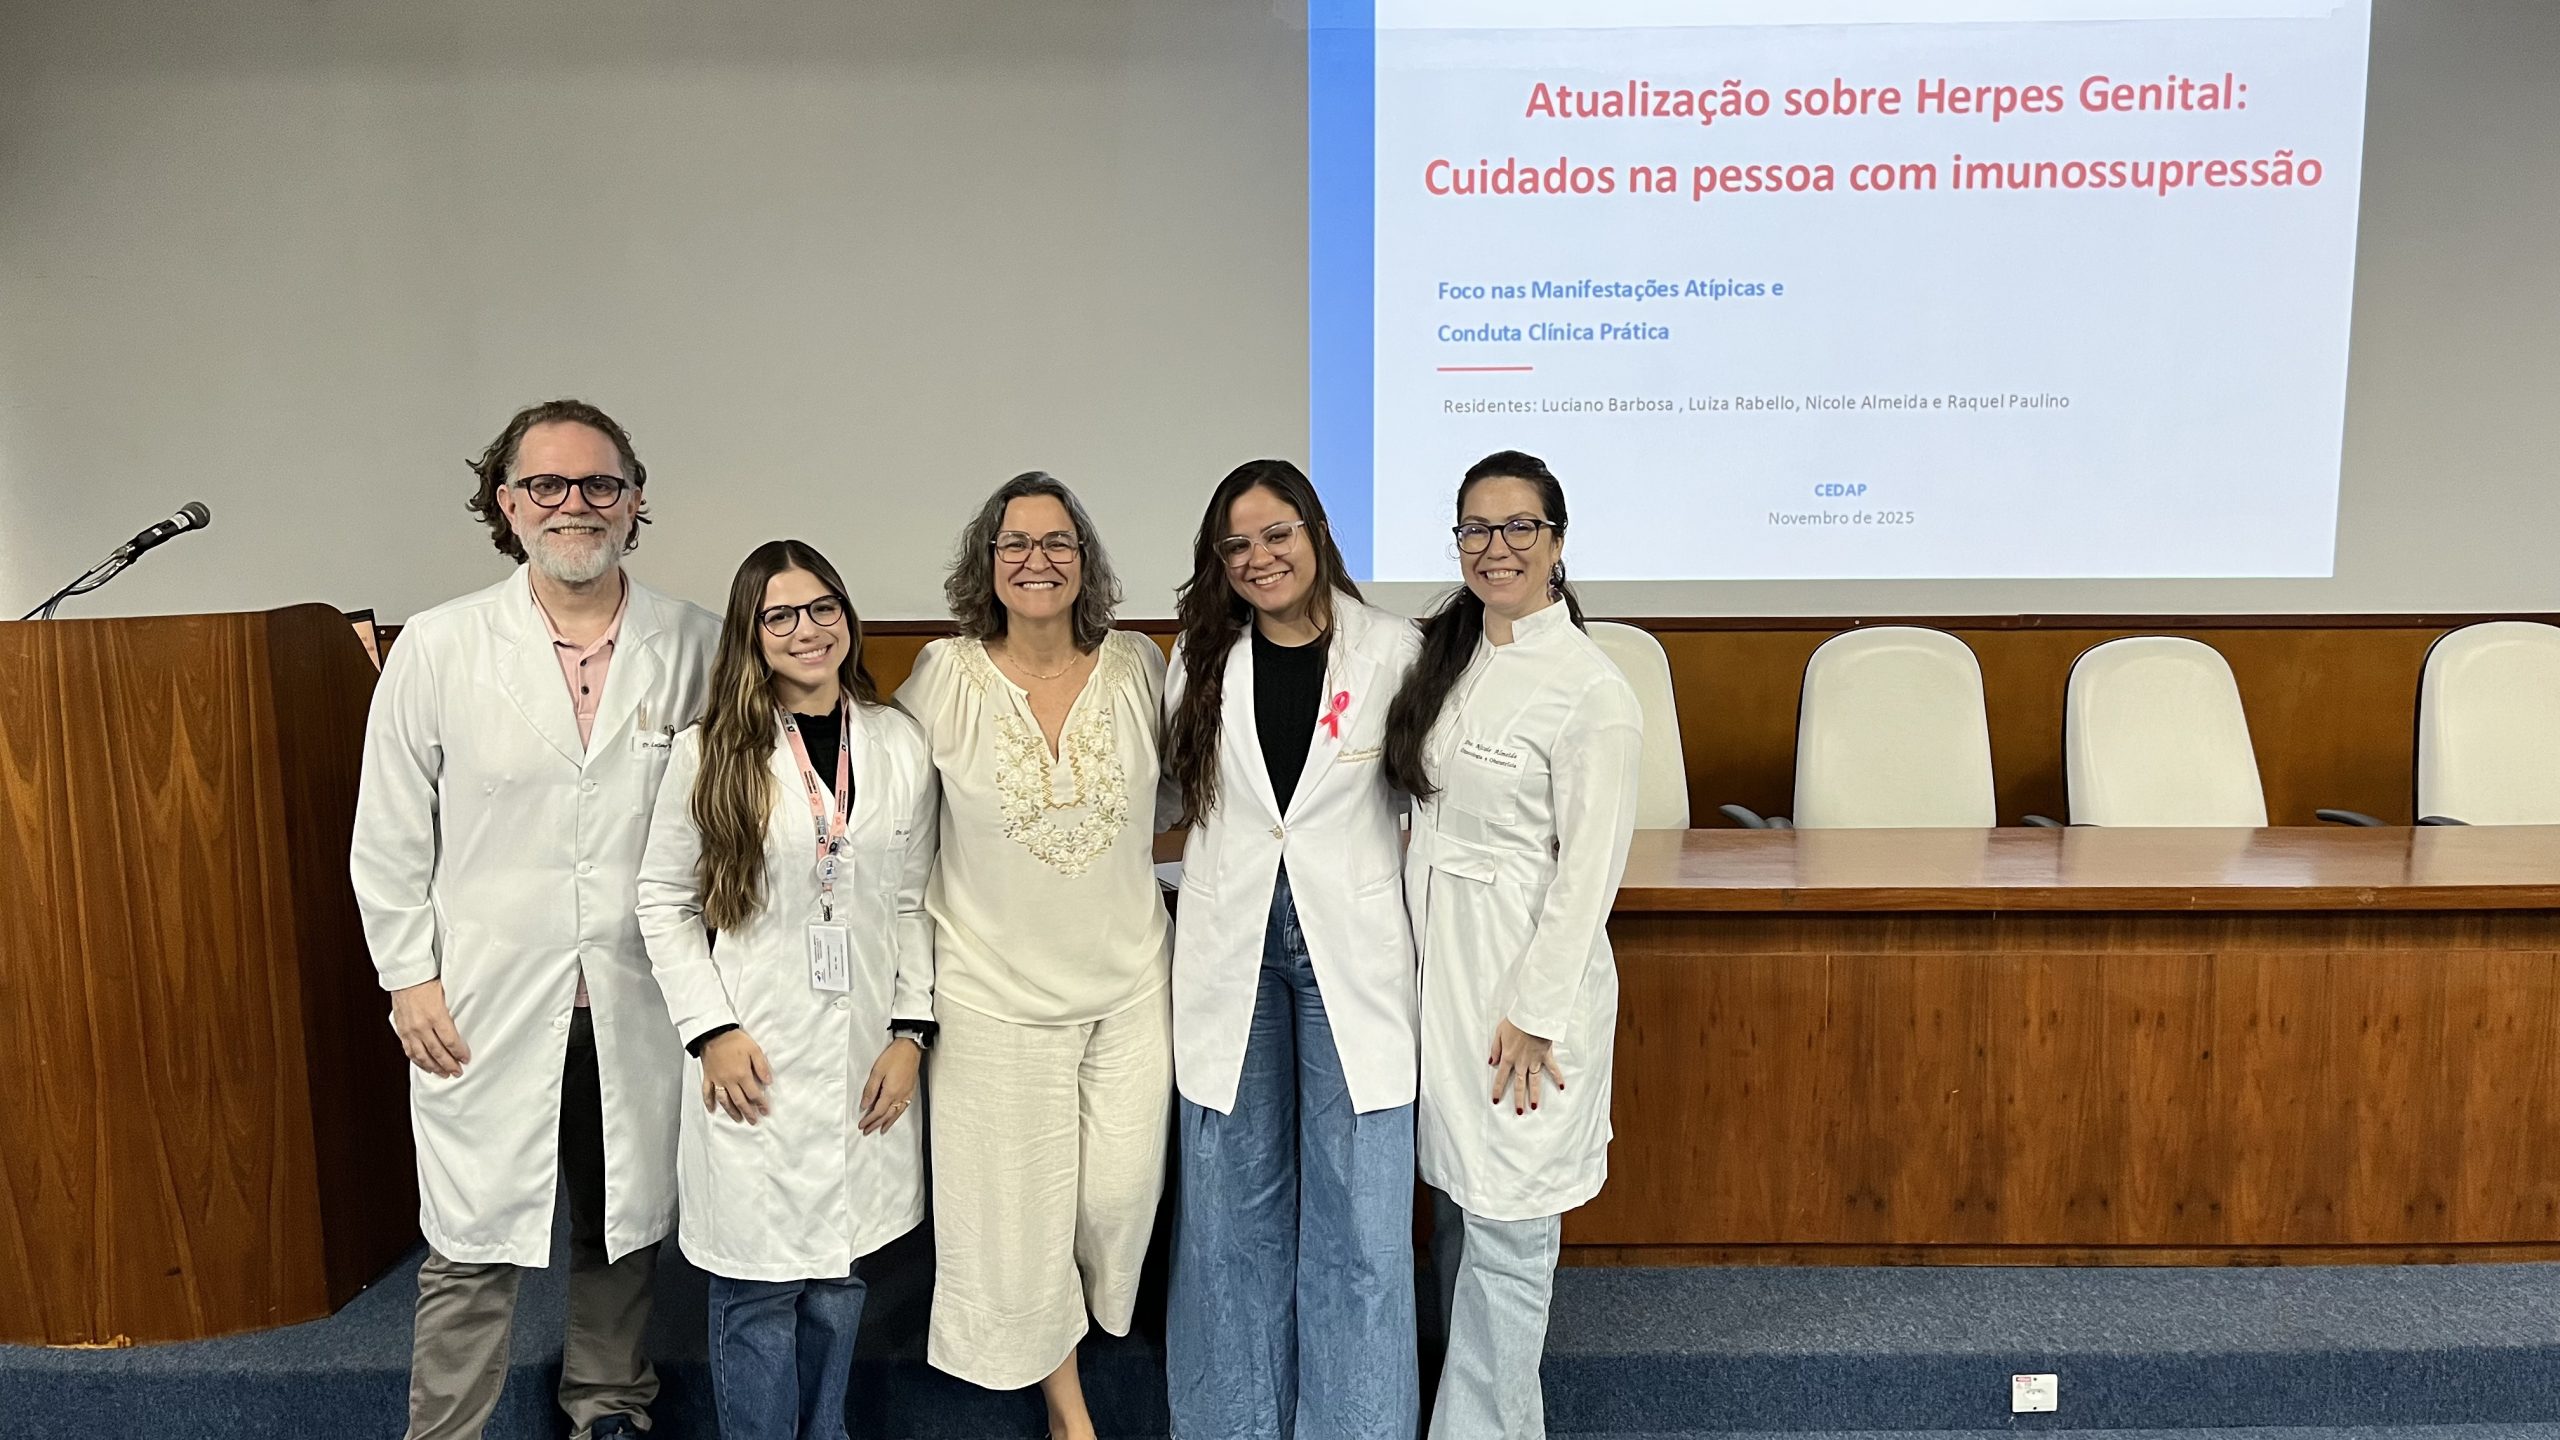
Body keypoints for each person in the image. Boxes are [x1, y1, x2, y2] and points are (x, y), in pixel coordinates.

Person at [351, 399, 721, 1440]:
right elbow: (389, 831)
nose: (575, 504)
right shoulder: (440, 646)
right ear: (507, 504)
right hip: (483, 993)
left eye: (600, 484)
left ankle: (608, 1407)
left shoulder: (697, 644)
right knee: (471, 1235)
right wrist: (408, 978)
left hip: (641, 990)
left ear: (634, 501)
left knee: (622, 1220)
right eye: (546, 485)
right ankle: (447, 1428)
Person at [635, 541, 938, 1440]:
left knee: (838, 1280)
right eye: (781, 615)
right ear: (751, 634)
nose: (807, 629)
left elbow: (916, 897)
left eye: (822, 608)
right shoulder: (711, 750)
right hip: (752, 1048)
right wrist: (711, 1030)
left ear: (847, 616)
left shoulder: (896, 743)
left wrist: (910, 1033)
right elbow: (661, 899)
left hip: (865, 1052)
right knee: (759, 1290)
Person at [894, 472, 1172, 1440]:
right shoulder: (943, 676)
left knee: (1118, 1197)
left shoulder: (1139, 667)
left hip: (1130, 987)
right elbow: (899, 825)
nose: (1036, 560)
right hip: (992, 999)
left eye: (1057, 542)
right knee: (1022, 1221)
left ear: (1084, 560)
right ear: (987, 562)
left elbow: (1177, 797)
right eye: (1014, 543)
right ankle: (1069, 1411)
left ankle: (1077, 1335)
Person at [1159, 460, 1425, 1438]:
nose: (1259, 557)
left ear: (1315, 532)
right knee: (1229, 1209)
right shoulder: (1199, 657)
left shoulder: (1392, 650)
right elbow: (1164, 797)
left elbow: (1429, 800)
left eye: (1277, 534)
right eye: (1236, 544)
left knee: (1360, 1213)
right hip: (1231, 941)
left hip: (1349, 948)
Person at [1384, 450, 1644, 1440]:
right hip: (1444, 987)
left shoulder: (1591, 691)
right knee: (1459, 1215)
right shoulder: (1451, 660)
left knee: (1507, 1238)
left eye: (1519, 527)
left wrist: (1535, 1017)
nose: (1496, 548)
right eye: (1476, 529)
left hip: (1522, 1005)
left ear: (1557, 541)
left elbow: (1588, 878)